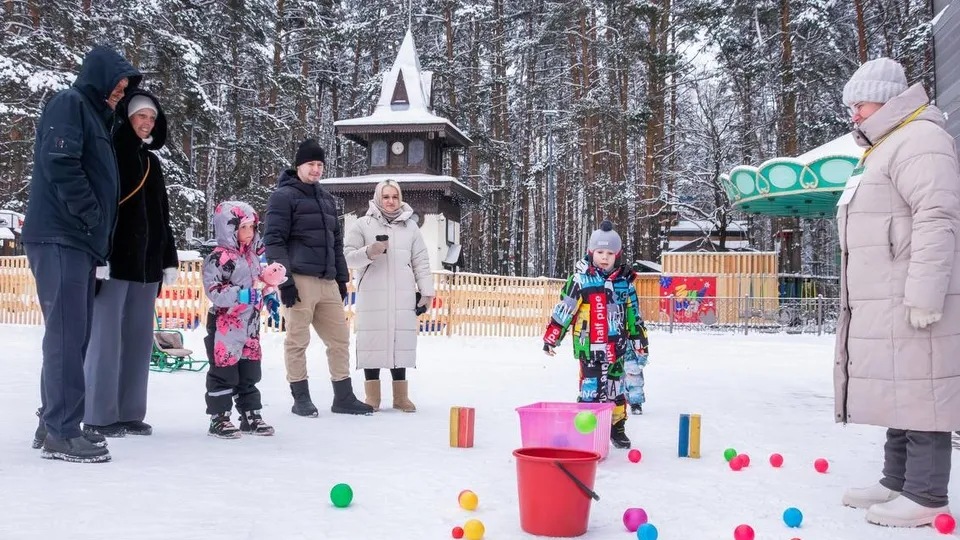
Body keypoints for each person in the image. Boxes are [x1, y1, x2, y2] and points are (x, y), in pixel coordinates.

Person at [835, 57, 960, 527]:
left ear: (887, 101)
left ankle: (926, 496)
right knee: (900, 387)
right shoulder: (889, 144)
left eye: (860, 105)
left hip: (914, 296)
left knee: (922, 391)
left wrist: (925, 293)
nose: (855, 116)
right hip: (890, 295)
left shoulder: (921, 139)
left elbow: (937, 216)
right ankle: (896, 481)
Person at [21, 45, 141, 463]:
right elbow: (60, 164)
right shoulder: (69, 104)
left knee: (71, 336)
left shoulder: (93, 115)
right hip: (61, 235)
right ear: (100, 77)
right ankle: (62, 431)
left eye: (124, 90)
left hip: (76, 240)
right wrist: (91, 215)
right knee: (68, 336)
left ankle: (52, 420)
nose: (119, 94)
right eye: (117, 86)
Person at [82, 89, 178, 438]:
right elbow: (102, 209)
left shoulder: (152, 162)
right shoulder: (110, 153)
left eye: (151, 118)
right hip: (116, 262)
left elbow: (163, 216)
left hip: (147, 266)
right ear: (128, 117)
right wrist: (98, 254)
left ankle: (129, 412)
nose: (147, 122)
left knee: (138, 341)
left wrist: (167, 258)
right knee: (105, 340)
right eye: (141, 116)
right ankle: (97, 413)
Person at [263, 139, 372, 416]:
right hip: (299, 279)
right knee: (297, 340)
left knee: (339, 340)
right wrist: (284, 281)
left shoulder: (326, 199)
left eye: (320, 165)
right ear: (299, 165)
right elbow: (274, 240)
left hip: (326, 282)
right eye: (311, 164)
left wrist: (339, 278)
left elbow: (335, 243)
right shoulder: (283, 196)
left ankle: (343, 397)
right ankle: (301, 398)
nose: (316, 170)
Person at [541, 220, 648, 449]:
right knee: (590, 390)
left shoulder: (624, 284)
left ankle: (616, 428)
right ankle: (586, 430)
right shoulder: (580, 281)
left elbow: (633, 314)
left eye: (610, 253)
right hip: (588, 347)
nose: (605, 257)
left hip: (616, 348)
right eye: (600, 252)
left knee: (616, 390)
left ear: (617, 255)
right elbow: (565, 309)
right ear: (591, 252)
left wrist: (639, 340)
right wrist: (552, 337)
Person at [343, 179, 434, 412]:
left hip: (402, 292)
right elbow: (348, 257)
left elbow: (421, 261)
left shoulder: (411, 228)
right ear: (377, 198)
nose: (391, 201)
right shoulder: (363, 225)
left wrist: (426, 292)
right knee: (372, 341)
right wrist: (370, 251)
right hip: (373, 293)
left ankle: (400, 397)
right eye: (386, 197)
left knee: (400, 341)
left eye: (395, 197)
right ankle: (372, 397)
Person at [202, 201, 274, 438]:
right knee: (224, 371)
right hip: (225, 326)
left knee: (249, 371)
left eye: (252, 227)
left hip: (250, 325)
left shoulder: (252, 257)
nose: (249, 233)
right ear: (229, 228)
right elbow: (214, 291)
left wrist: (268, 293)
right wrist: (239, 295)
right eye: (243, 227)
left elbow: (257, 283)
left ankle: (250, 413)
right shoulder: (217, 258)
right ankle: (219, 416)